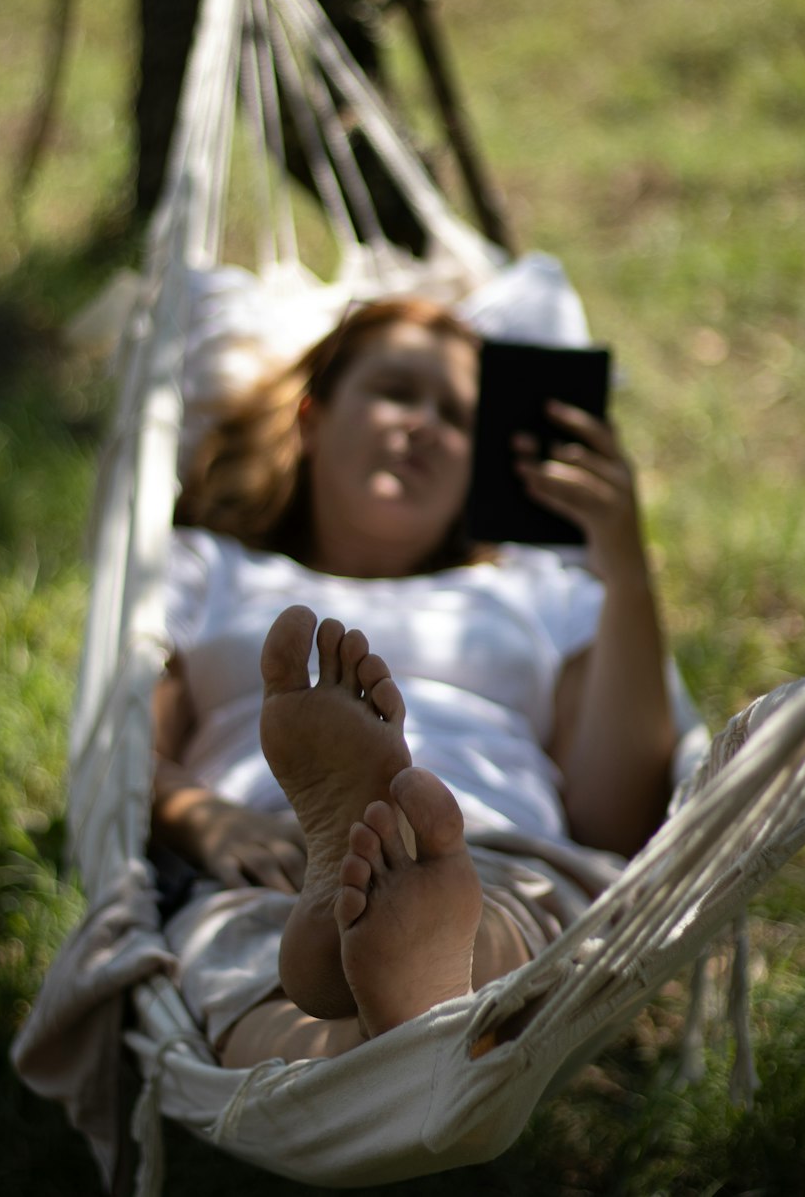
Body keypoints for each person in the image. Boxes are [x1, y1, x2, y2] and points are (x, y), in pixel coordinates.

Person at [150, 295, 678, 1068]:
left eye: (457, 417)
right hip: (267, 854)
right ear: (311, 420)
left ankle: (391, 959)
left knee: (479, 906)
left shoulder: (537, 593)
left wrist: (624, 567)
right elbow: (128, 745)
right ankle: (404, 982)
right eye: (396, 391)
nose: (424, 424)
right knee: (252, 955)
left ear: (480, 466)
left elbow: (614, 817)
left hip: (492, 842)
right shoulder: (210, 568)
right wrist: (203, 817)